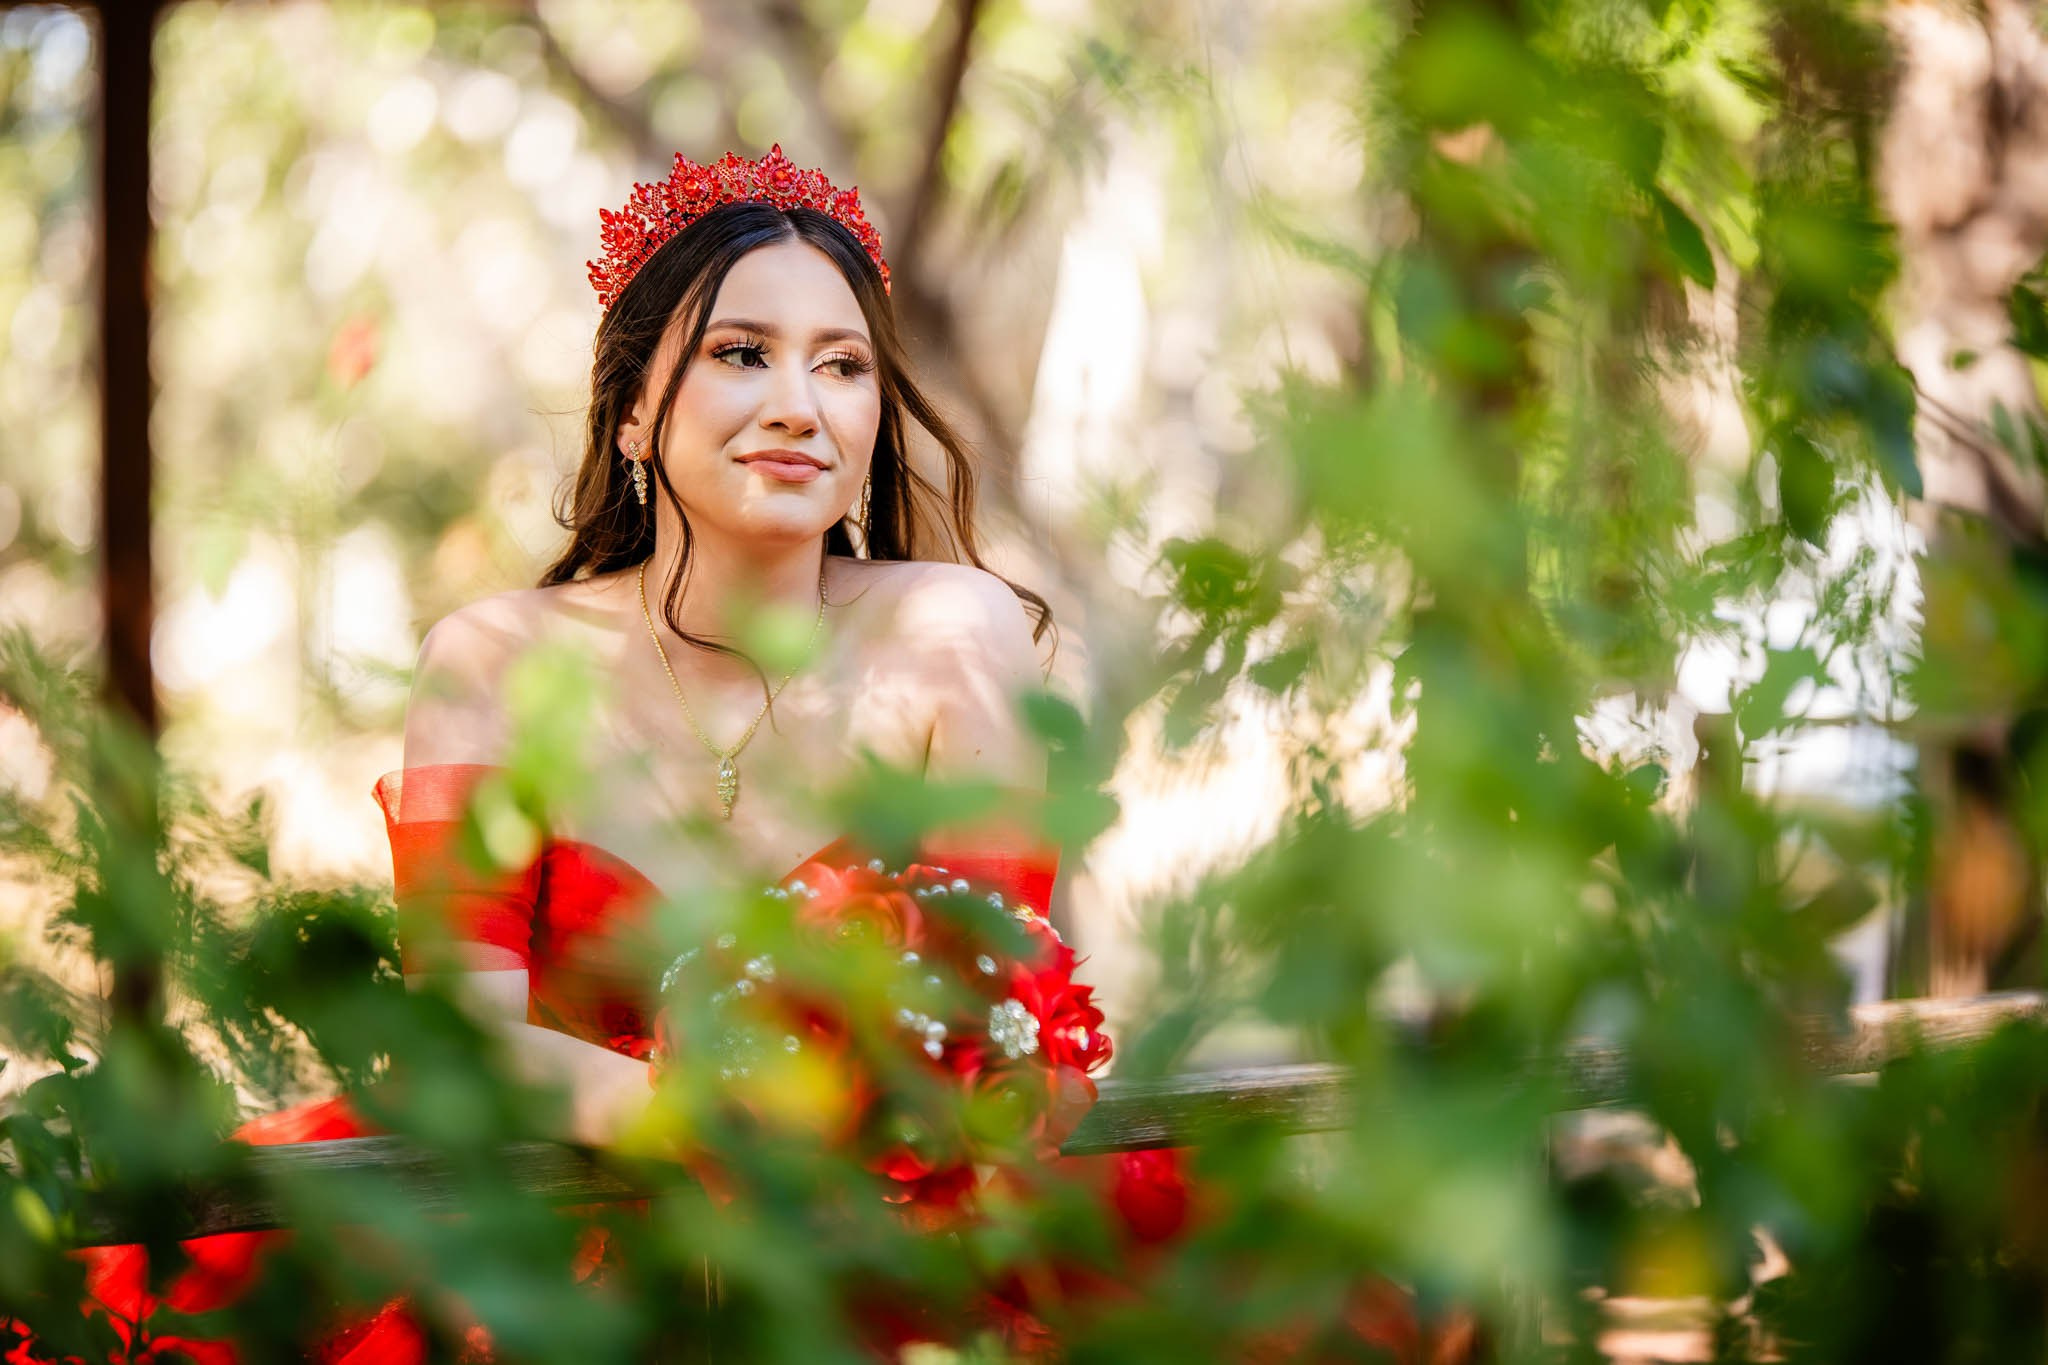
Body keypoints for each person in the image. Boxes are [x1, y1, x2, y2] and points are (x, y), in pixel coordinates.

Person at [13, 144, 1175, 1365]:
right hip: (563, 1240)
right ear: (630, 409)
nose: (800, 403)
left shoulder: (956, 626)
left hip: (881, 1240)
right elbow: (462, 1030)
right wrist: (706, 1112)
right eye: (741, 354)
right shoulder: (492, 662)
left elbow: (987, 985)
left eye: (842, 366)